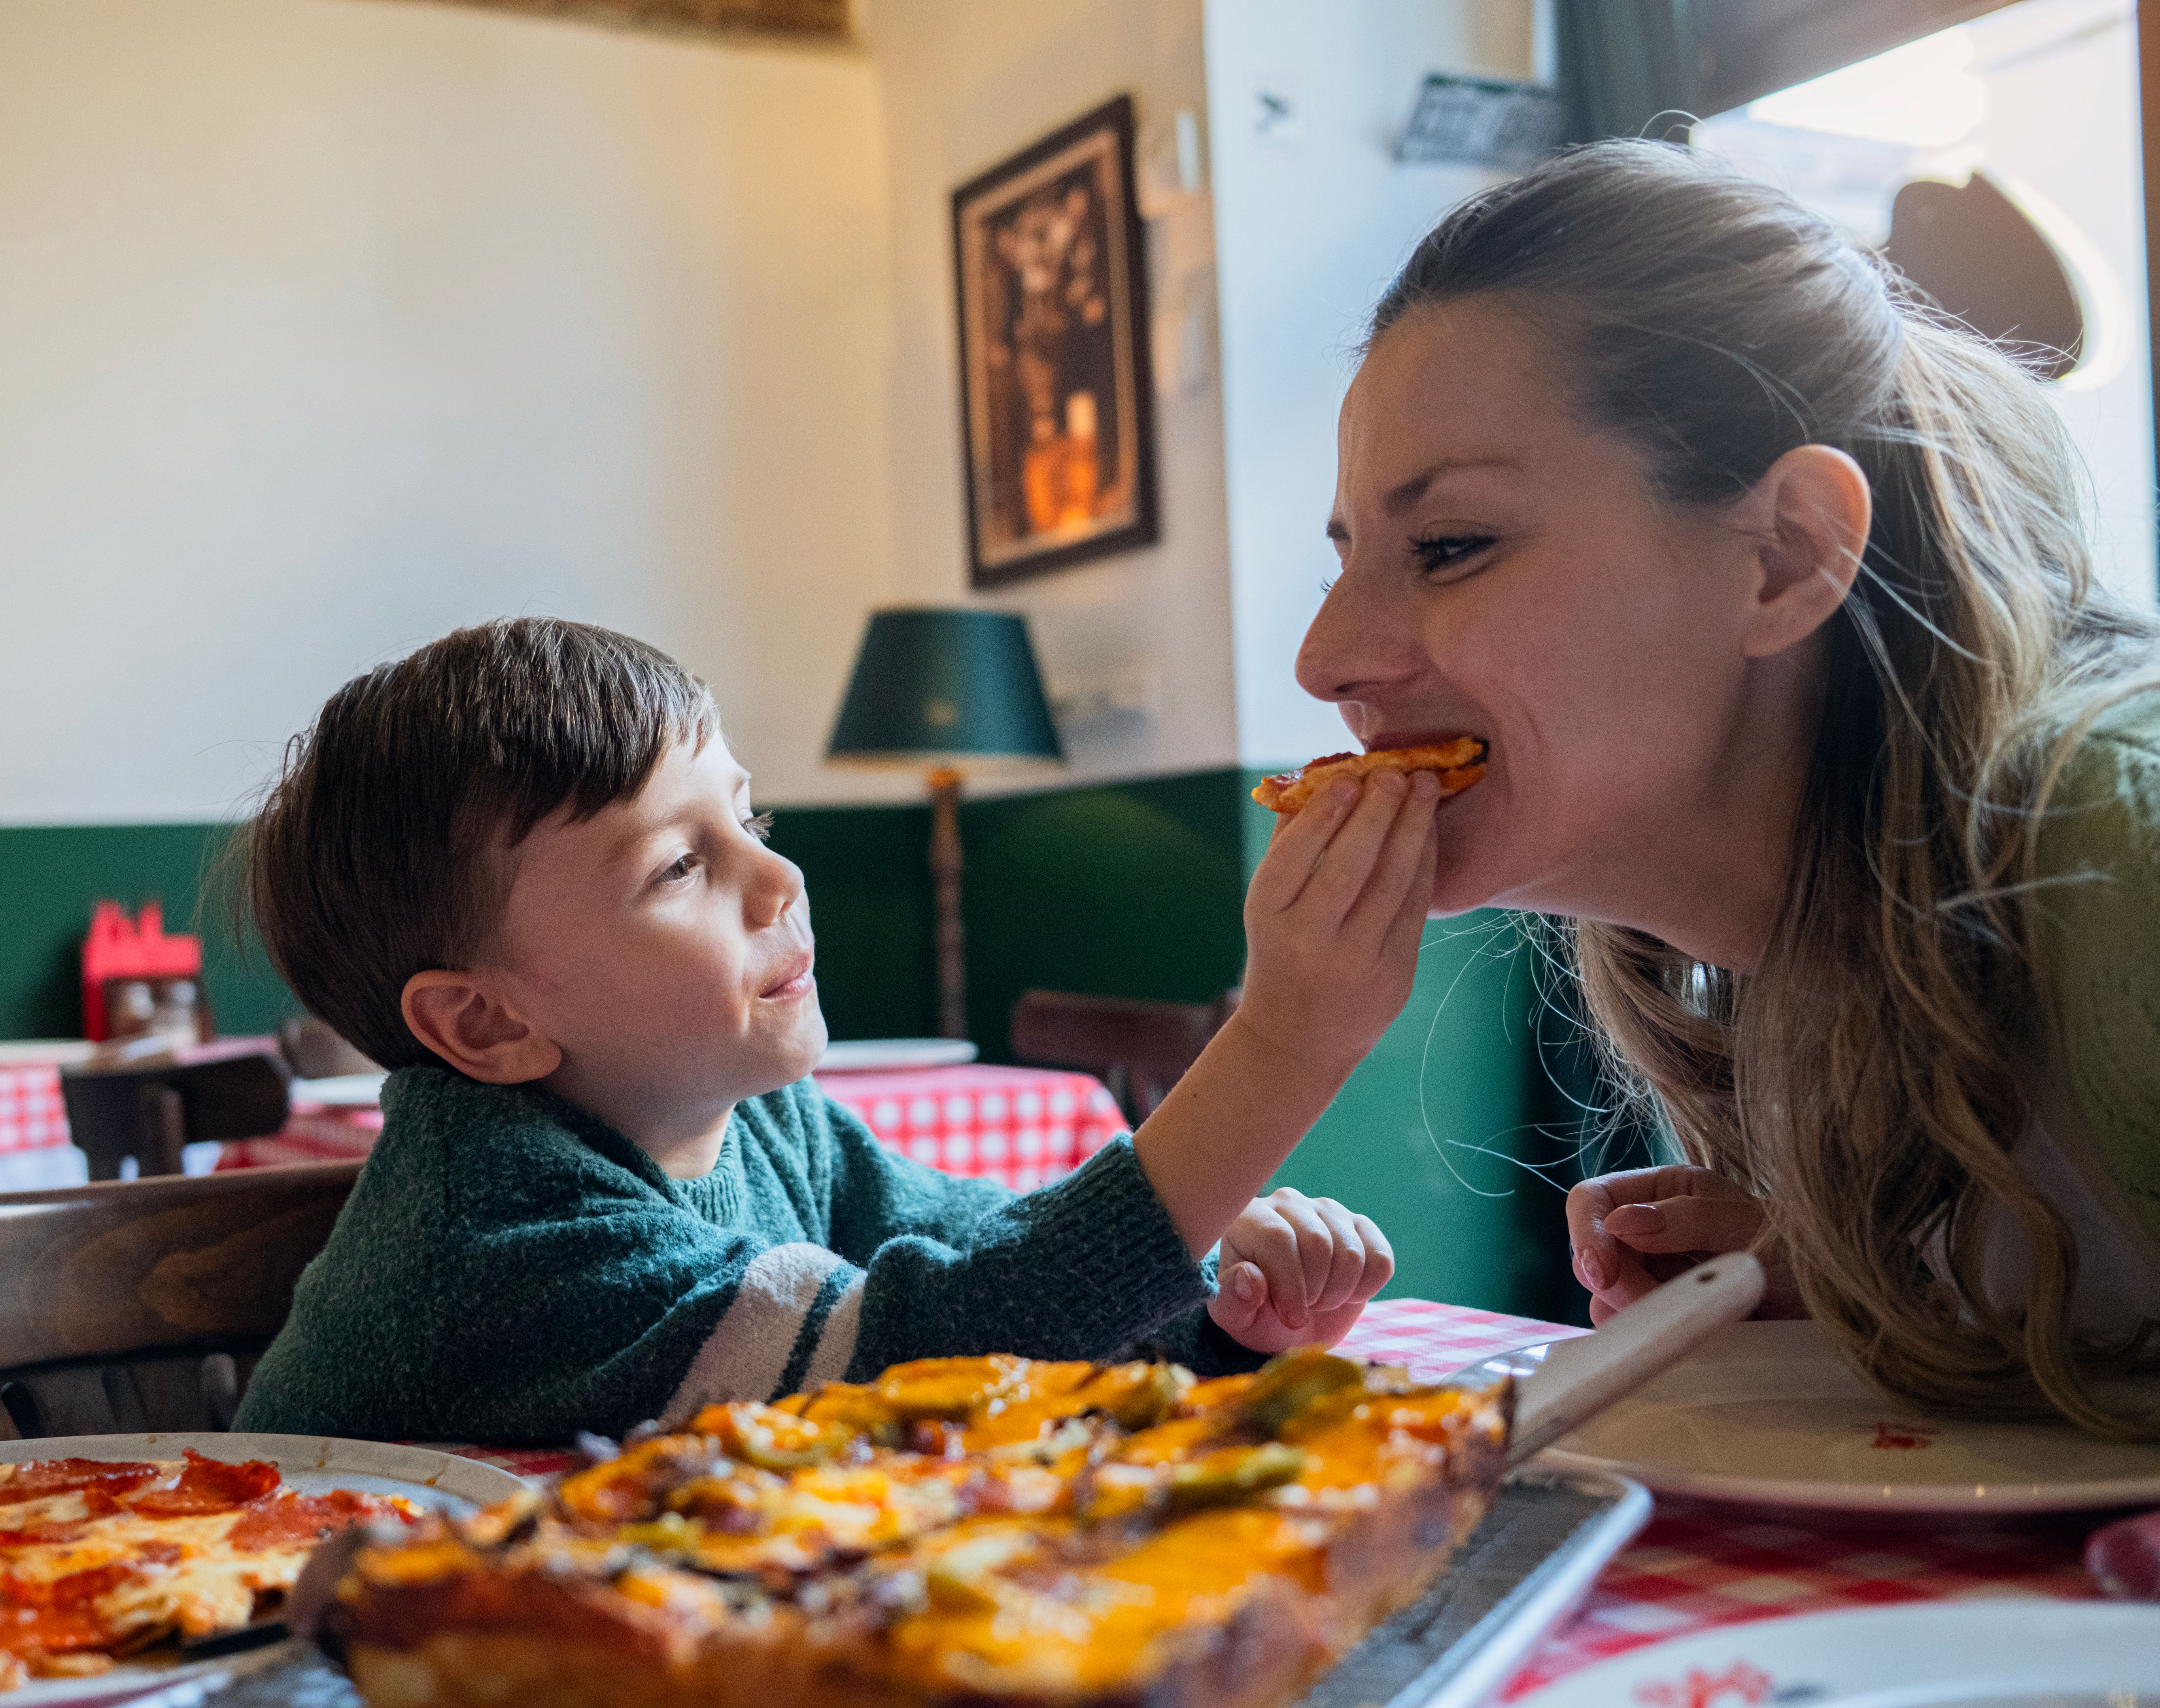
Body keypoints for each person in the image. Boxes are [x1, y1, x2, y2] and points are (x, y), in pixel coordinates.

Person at [1304, 140, 2160, 1434]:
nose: (1325, 662)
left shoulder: (2121, 846)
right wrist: (1880, 1284)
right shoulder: (1795, 971)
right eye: (1346, 564)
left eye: (1451, 545)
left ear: (1786, 555)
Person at [229, 617, 1421, 1445]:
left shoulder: (760, 1119)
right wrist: (1284, 1045)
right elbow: (933, 1352)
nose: (781, 877)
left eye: (749, 819)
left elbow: (1002, 1276)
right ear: (487, 1022)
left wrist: (1219, 1327)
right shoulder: (495, 1235)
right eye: (680, 866)